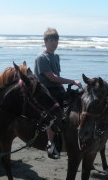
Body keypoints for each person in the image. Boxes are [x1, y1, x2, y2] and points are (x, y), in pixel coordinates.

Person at [34, 28, 82, 159]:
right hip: (45, 89)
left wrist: (65, 89)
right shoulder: (41, 58)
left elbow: (57, 76)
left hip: (56, 88)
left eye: (56, 40)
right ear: (46, 41)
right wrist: (71, 81)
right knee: (53, 111)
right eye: (52, 40)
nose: (55, 43)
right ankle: (50, 142)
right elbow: (52, 77)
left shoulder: (55, 56)